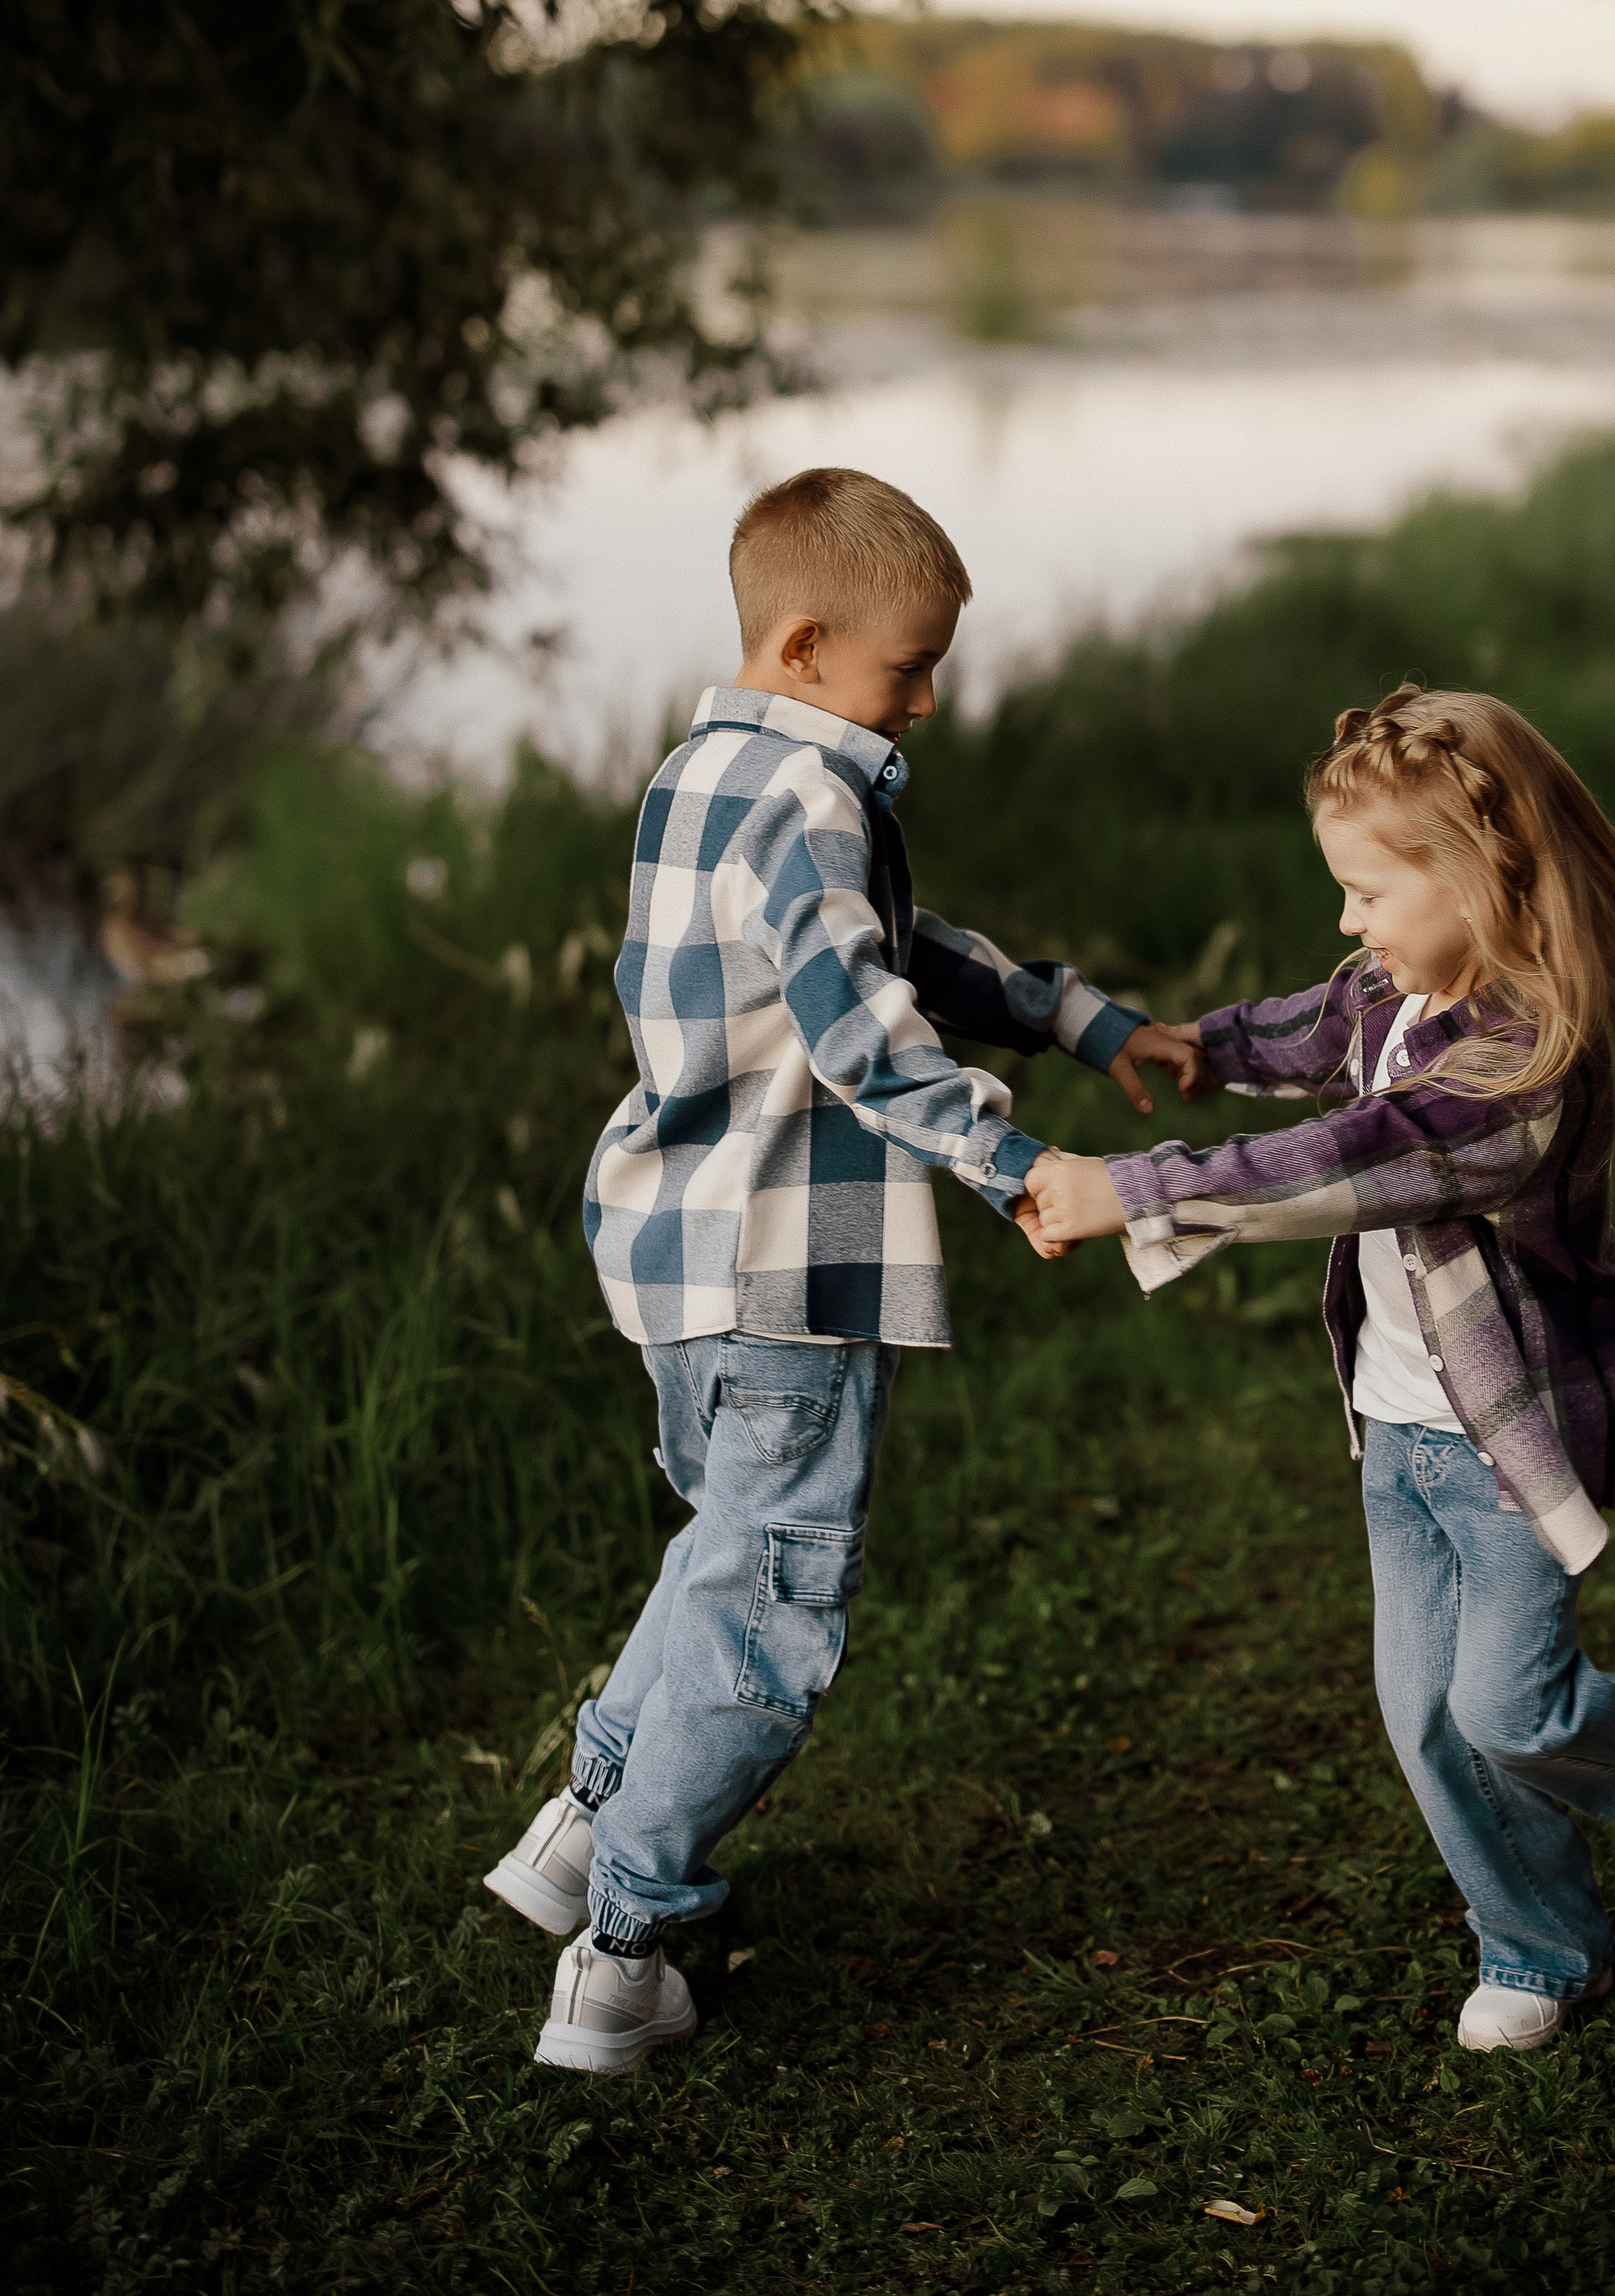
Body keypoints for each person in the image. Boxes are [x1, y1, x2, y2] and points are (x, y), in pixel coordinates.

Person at [1023, 685, 1615, 2054]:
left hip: (1505, 1437)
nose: (1348, 923)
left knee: (1514, 1711)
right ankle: (1540, 1945)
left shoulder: (1520, 1064)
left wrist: (1136, 1188)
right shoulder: (1399, 986)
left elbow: (1352, 1156)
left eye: (1369, 891)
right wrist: (1194, 1047)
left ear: (1481, 877)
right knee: (1429, 1722)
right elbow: (1310, 1027)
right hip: (1395, 1426)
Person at [485, 467, 1201, 2073]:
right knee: (771, 1613)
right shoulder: (810, 798)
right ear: (804, 643)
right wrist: (1018, 1164)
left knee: (721, 1554)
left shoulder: (703, 773)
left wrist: (1074, 1015)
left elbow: (888, 943)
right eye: (909, 668)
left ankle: (583, 1826)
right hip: (784, 1275)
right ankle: (626, 1950)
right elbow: (865, 1036)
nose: (928, 701)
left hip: (679, 1257)